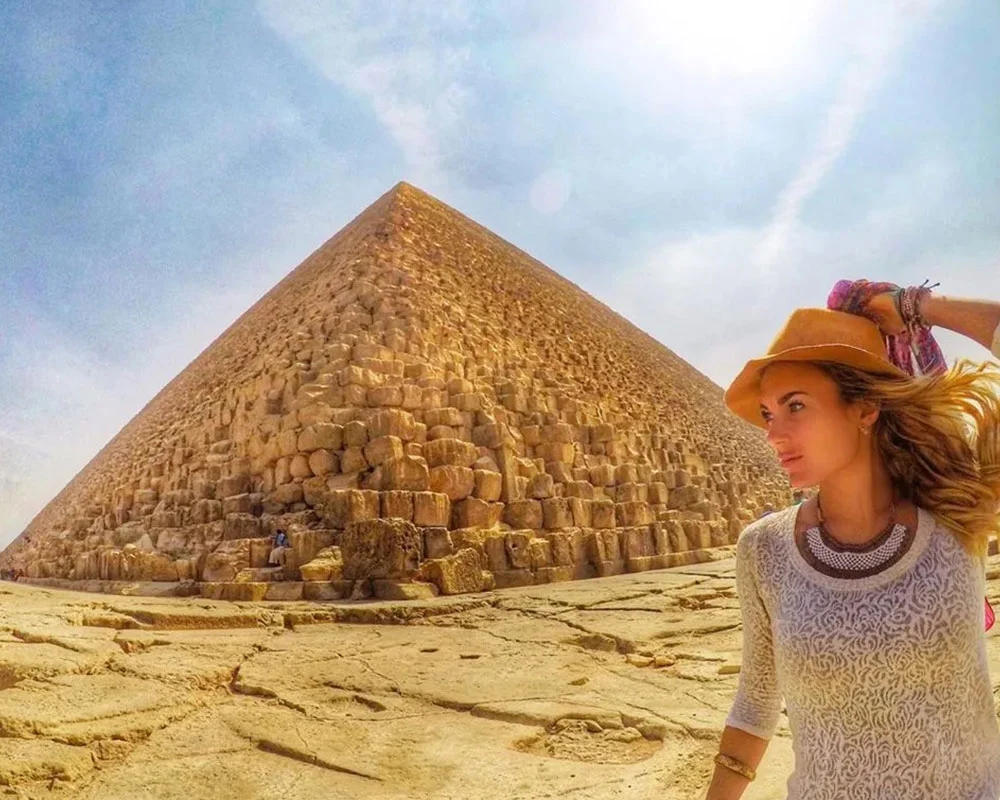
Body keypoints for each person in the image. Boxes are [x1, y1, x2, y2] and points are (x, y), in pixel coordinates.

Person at [705, 284, 1000, 800]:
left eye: (796, 406)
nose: (773, 434)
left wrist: (918, 306)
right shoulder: (763, 549)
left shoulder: (958, 518)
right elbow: (755, 703)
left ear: (865, 408)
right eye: (769, 413)